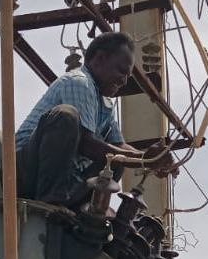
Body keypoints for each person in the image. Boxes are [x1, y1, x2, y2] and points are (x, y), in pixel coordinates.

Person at [14, 32, 168, 207]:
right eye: (121, 71)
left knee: (117, 162)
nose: (124, 81)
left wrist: (150, 159)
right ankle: (51, 202)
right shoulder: (79, 82)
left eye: (128, 75)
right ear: (100, 59)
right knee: (66, 116)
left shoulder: (104, 103)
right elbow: (86, 144)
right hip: (23, 172)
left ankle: (74, 209)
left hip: (60, 178)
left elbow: (118, 145)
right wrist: (144, 159)